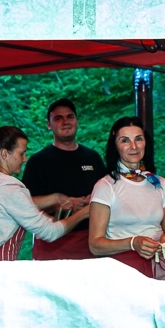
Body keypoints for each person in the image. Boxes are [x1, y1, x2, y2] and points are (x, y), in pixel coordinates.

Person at [0, 125, 91, 260]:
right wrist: (84, 213)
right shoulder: (9, 190)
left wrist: (56, 198)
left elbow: (15, 205)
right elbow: (51, 232)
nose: (25, 158)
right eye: (21, 153)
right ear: (4, 154)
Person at [89, 116, 165, 280]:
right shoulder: (105, 186)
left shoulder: (160, 183)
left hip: (162, 268)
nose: (133, 146)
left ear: (146, 142)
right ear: (115, 146)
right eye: (125, 140)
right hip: (124, 273)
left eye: (138, 139)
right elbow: (95, 245)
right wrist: (133, 243)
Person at [21, 98, 106, 260]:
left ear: (77, 121)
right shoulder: (38, 161)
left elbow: (109, 193)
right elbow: (25, 203)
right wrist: (61, 203)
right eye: (58, 118)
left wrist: (95, 199)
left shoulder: (92, 157)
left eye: (70, 117)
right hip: (51, 243)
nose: (65, 122)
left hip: (90, 241)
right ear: (49, 125)